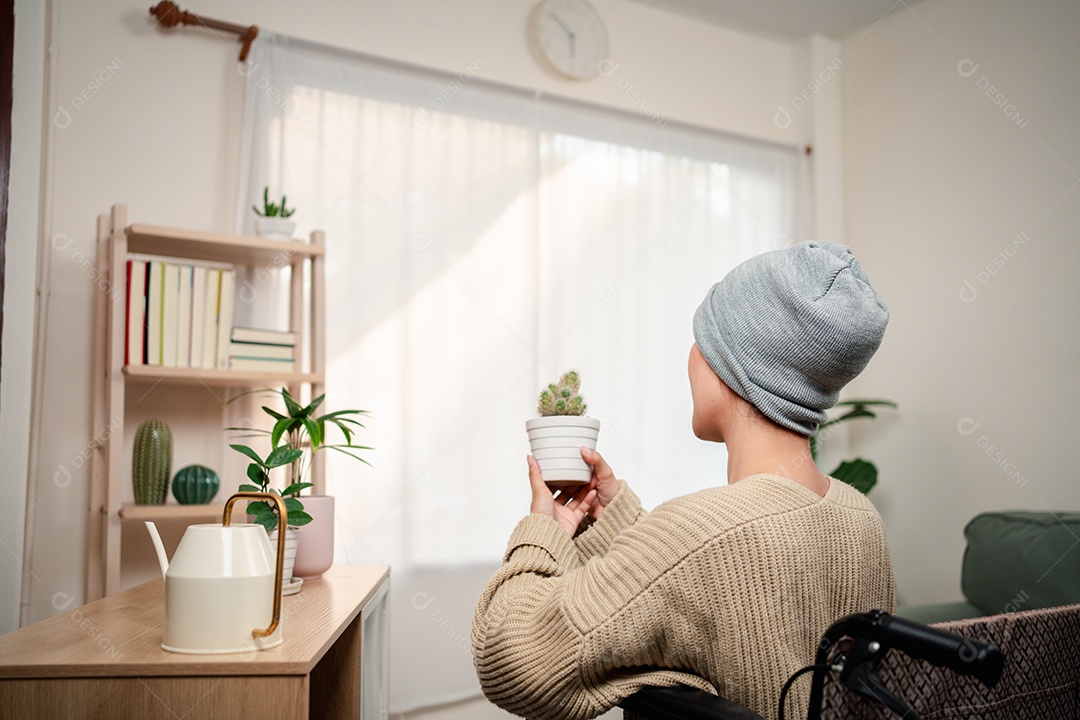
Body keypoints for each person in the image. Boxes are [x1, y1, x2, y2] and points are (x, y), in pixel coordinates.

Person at [472, 242, 895, 720]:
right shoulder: (862, 519)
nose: (692, 354)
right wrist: (615, 520)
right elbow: (710, 591)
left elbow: (508, 657)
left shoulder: (699, 537)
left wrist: (542, 533)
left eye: (704, 338)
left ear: (735, 368)